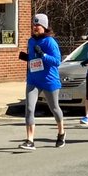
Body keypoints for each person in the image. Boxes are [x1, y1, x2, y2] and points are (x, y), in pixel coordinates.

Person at [18, 13, 64, 149]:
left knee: (54, 108)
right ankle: (30, 140)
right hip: (33, 80)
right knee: (30, 108)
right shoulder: (31, 41)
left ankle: (61, 132)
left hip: (49, 80)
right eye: (34, 24)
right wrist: (27, 57)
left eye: (38, 25)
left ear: (44, 26)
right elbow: (34, 60)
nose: (35, 27)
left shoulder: (50, 42)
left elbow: (57, 61)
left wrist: (43, 55)